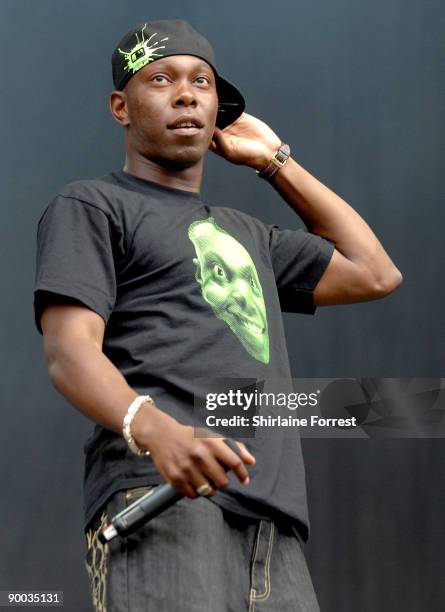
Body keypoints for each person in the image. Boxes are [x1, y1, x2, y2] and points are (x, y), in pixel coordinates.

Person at [34, 19, 402, 612]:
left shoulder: (248, 236)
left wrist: (274, 160)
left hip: (270, 517)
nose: (186, 93)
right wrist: (160, 434)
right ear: (120, 107)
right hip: (160, 496)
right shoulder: (94, 205)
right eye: (161, 79)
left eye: (201, 81)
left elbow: (374, 273)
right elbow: (69, 352)